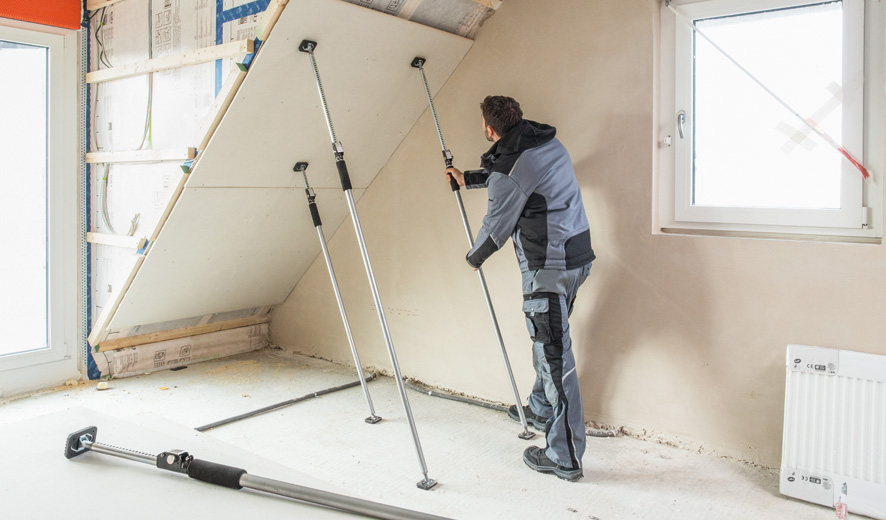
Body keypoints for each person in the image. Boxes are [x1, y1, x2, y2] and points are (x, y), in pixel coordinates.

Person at [446, 95, 595, 482]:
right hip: (577, 259)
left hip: (547, 269)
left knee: (556, 360)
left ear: (489, 128)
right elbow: (520, 180)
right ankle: (541, 408)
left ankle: (565, 457)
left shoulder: (510, 168)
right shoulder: (545, 142)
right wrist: (468, 179)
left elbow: (495, 229)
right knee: (547, 344)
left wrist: (472, 258)